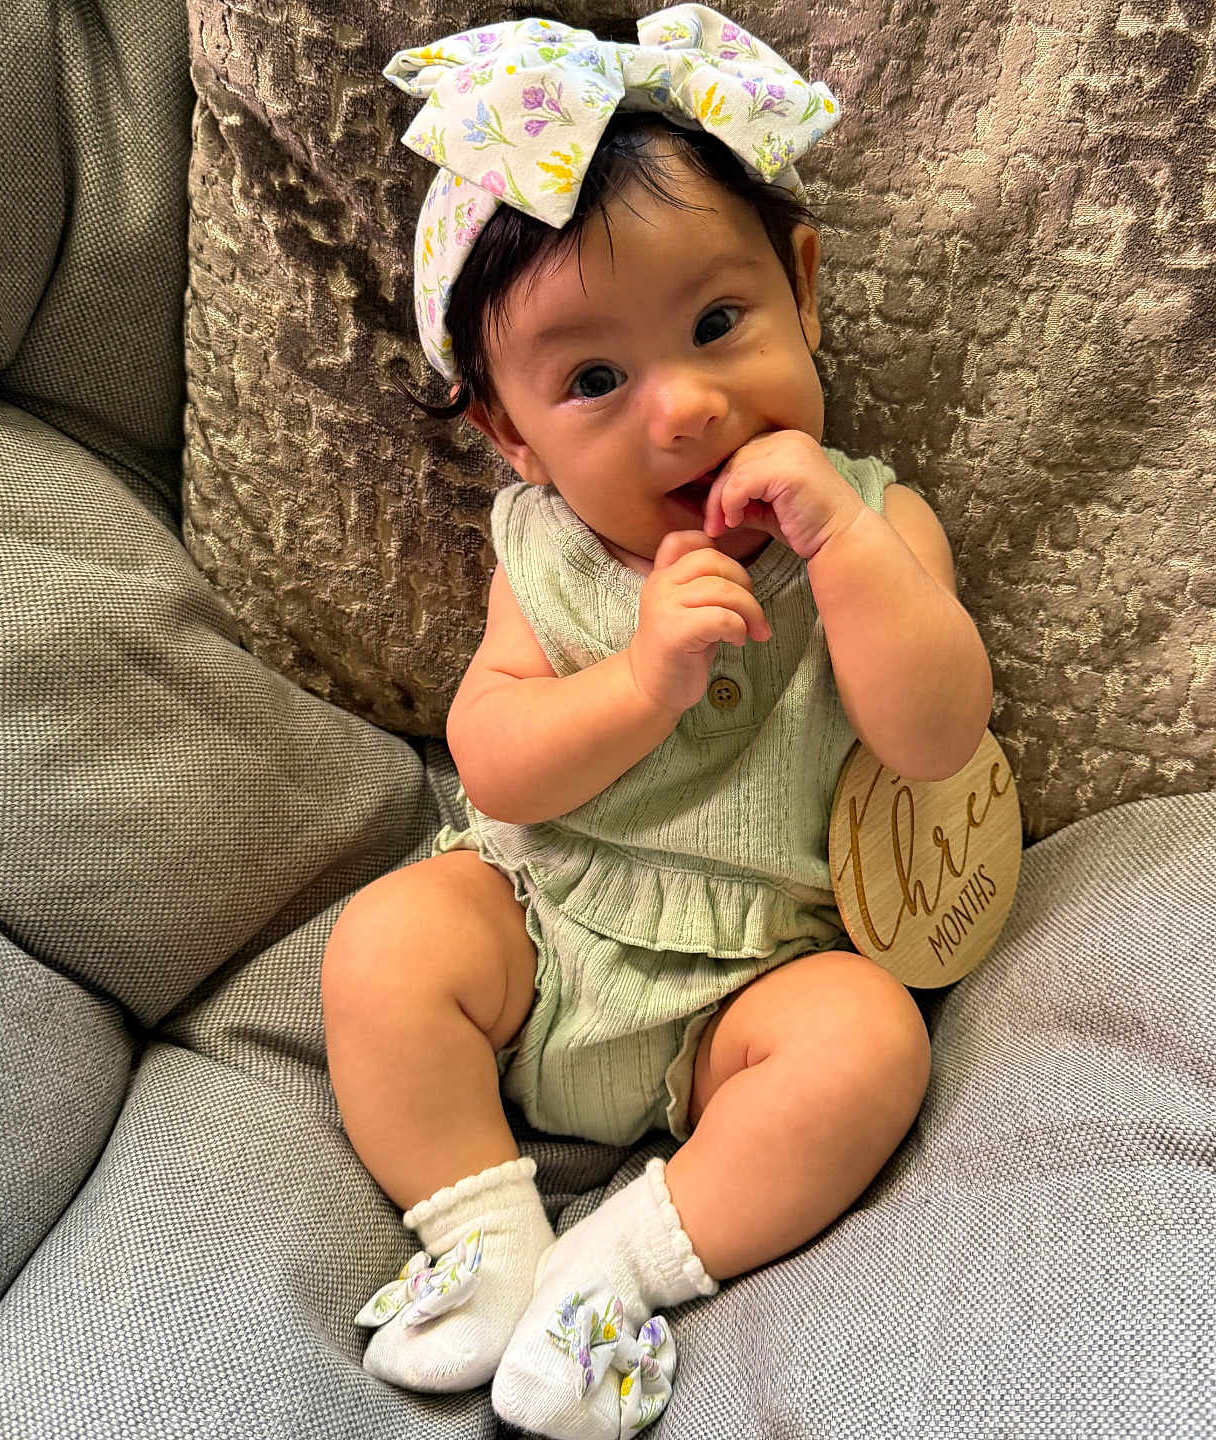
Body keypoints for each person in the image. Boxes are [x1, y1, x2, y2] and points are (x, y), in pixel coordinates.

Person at [320, 7, 993, 1436]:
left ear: (802, 292)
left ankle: (612, 1271)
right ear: (513, 433)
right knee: (386, 948)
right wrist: (636, 686)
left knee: (870, 1045)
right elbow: (495, 756)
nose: (683, 409)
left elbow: (939, 739)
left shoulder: (877, 525)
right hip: (546, 931)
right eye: (593, 382)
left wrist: (841, 549)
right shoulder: (550, 559)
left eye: (716, 326)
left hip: (753, 995)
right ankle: (485, 1239)